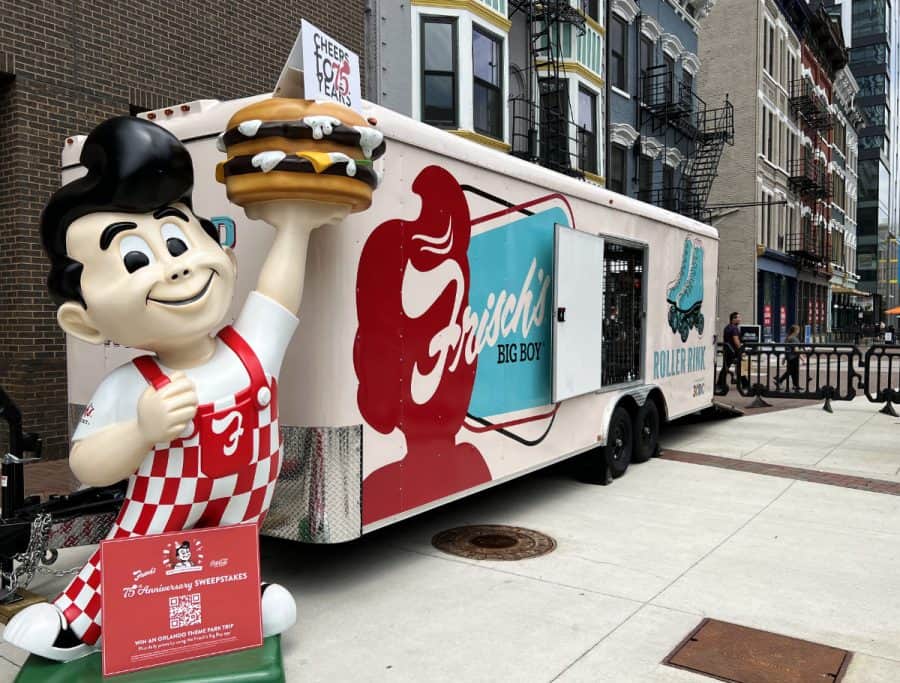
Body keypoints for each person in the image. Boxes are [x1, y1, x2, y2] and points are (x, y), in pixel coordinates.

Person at [3, 116, 335, 660]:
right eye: (135, 259)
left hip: (238, 520)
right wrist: (139, 430)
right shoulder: (131, 383)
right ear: (84, 322)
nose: (177, 271)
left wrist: (294, 227)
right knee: (135, 560)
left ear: (222, 252)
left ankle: (237, 602)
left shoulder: (248, 349)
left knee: (228, 558)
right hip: (158, 521)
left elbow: (278, 295)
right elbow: (87, 465)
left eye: (179, 240)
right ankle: (78, 624)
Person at [716, 311, 743, 391]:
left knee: (725, 368)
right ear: (733, 319)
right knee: (743, 365)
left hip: (727, 351)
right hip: (734, 352)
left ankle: (720, 383)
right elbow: (736, 340)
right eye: (738, 318)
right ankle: (744, 383)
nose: (740, 319)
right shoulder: (734, 328)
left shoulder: (727, 327)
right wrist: (741, 350)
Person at [775, 324, 802, 392]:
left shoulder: (788, 338)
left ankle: (795, 385)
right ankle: (780, 380)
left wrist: (784, 358)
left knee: (793, 371)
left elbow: (787, 349)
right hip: (794, 357)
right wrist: (802, 357)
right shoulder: (794, 338)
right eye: (798, 330)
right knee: (792, 371)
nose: (799, 332)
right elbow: (796, 349)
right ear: (795, 331)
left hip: (789, 357)